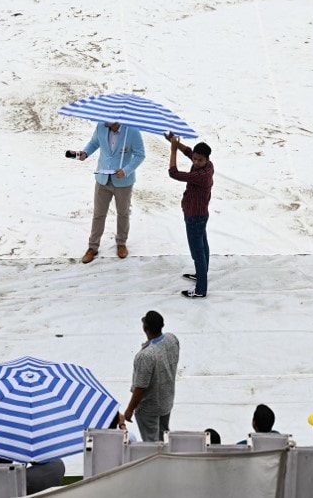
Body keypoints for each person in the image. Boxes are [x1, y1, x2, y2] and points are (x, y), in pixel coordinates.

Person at [75, 122, 145, 263]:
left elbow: (140, 154)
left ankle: (121, 243)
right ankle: (93, 247)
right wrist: (85, 153)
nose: (103, 118)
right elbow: (94, 142)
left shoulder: (132, 131)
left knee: (123, 213)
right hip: (102, 179)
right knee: (98, 214)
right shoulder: (101, 126)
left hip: (123, 182)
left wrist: (126, 170)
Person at [166, 133, 214, 298]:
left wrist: (172, 150)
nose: (195, 162)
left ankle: (201, 289)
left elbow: (173, 173)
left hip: (195, 217)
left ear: (207, 159)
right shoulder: (207, 166)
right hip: (199, 214)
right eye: (194, 159)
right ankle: (202, 275)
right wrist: (175, 142)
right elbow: (188, 151)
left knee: (197, 252)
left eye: (199, 160)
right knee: (203, 246)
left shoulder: (201, 175)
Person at [123, 311, 180, 441]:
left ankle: (157, 460)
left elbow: (140, 388)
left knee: (151, 443)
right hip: (167, 400)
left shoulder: (146, 356)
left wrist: (129, 410)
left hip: (149, 408)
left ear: (145, 328)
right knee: (162, 435)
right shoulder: (172, 339)